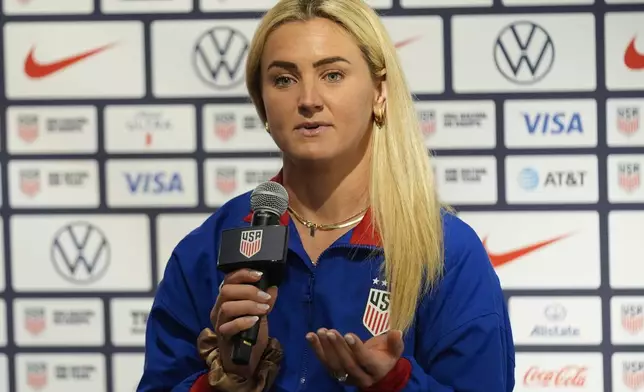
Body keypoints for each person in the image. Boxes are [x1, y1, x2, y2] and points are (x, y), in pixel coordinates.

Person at [137, 0, 516, 391]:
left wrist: (395, 384)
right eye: (284, 79)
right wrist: (229, 379)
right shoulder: (209, 247)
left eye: (332, 74)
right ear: (261, 104)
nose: (308, 99)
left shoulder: (445, 252)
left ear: (379, 92)